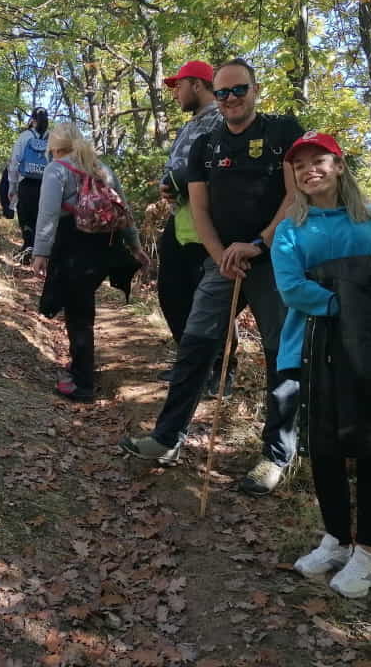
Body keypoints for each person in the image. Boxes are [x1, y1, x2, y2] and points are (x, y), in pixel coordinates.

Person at [120, 58, 304, 492]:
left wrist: (257, 244)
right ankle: (167, 438)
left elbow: (296, 198)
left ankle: (277, 456)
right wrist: (223, 254)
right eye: (221, 93)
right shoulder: (207, 143)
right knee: (196, 343)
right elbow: (197, 208)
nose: (230, 99)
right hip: (222, 261)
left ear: (255, 89)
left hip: (275, 259)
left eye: (238, 89)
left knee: (282, 355)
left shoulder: (282, 132)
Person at [272, 132, 371, 598]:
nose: (310, 169)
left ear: (338, 165)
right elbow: (293, 288)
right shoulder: (291, 228)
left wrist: (349, 293)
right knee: (324, 446)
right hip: (311, 347)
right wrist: (351, 298)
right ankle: (336, 539)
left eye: (319, 161)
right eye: (301, 165)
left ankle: (368, 555)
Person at [33, 123, 149, 401]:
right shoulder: (102, 168)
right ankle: (80, 365)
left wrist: (40, 253)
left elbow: (48, 214)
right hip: (104, 245)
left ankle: (82, 384)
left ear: (55, 146)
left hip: (72, 245)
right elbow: (124, 209)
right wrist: (135, 245)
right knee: (82, 307)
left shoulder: (56, 169)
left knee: (78, 314)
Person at [157, 59, 235, 392]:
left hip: (210, 223)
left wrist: (178, 178)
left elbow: (217, 163)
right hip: (182, 220)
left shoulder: (220, 120)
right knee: (175, 293)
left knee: (210, 300)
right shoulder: (192, 124)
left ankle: (220, 372)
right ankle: (192, 365)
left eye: (179, 86)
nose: (175, 93)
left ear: (198, 85)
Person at [7, 107, 50, 262]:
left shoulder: (25, 136)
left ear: (32, 119)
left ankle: (27, 249)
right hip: (45, 184)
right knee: (41, 217)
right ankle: (40, 253)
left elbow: (14, 161)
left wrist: (12, 186)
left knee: (25, 216)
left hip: (25, 183)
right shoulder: (51, 138)